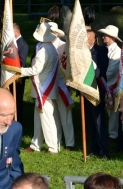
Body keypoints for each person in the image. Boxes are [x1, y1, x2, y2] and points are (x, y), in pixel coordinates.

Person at [21, 22, 60, 153]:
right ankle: (36, 143)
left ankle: (53, 147)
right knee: (39, 118)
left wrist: (20, 71)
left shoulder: (44, 50)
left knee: (46, 119)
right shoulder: (51, 48)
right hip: (44, 88)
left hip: (43, 89)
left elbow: (36, 69)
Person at [49, 22, 75, 151]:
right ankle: (56, 141)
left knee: (65, 115)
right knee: (53, 114)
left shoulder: (63, 46)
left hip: (61, 83)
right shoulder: (44, 46)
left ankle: (70, 142)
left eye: (52, 32)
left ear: (57, 34)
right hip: (49, 84)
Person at [85, 28, 109, 159]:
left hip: (97, 90)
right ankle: (93, 148)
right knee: (89, 122)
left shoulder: (101, 50)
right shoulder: (82, 52)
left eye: (87, 36)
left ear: (93, 38)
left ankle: (103, 150)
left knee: (99, 122)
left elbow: (102, 70)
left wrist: (91, 74)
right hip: (85, 90)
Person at [98, 25, 122, 141]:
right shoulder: (105, 50)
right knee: (109, 110)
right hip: (105, 83)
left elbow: (110, 72)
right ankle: (111, 133)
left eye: (105, 35)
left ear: (112, 37)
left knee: (113, 111)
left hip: (112, 85)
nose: (103, 37)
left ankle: (114, 135)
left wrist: (97, 74)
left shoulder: (117, 52)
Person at [10, 23, 29, 125]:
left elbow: (21, 62)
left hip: (18, 78)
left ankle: (18, 121)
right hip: (10, 77)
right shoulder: (12, 43)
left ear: (16, 33)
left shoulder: (23, 45)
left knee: (18, 101)